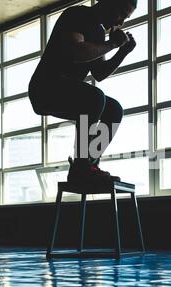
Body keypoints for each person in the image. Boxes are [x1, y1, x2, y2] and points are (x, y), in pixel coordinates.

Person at [28, 0, 138, 183]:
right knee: (94, 98)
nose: (120, 23)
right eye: (121, 14)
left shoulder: (99, 32)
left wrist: (122, 52)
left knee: (114, 110)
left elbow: (100, 72)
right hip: (45, 88)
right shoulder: (77, 15)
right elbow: (76, 51)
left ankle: (89, 164)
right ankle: (81, 167)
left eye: (125, 19)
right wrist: (111, 45)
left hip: (66, 91)